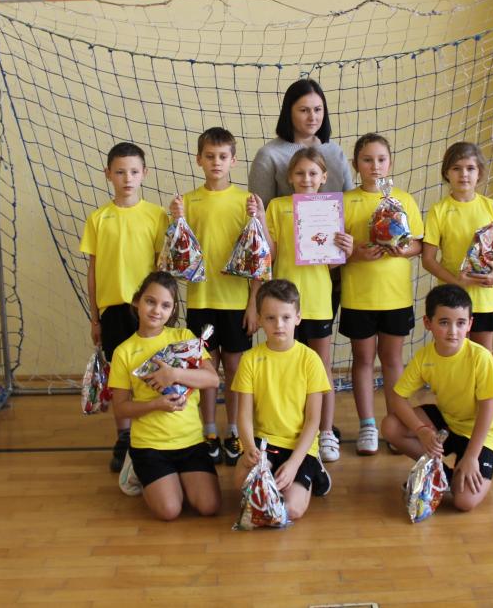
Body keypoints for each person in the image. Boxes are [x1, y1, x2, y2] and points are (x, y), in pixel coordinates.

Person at [168, 127, 264, 467]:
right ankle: (208, 429)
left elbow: (258, 258)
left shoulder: (246, 202)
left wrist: (253, 304)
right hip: (201, 302)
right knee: (205, 369)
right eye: (210, 156)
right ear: (199, 160)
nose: (216, 162)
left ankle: (234, 429)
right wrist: (175, 220)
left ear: (233, 161)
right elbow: (177, 254)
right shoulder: (188, 202)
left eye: (223, 156)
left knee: (236, 371)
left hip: (236, 303)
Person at [79, 142, 169, 472]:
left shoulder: (157, 216)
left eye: (133, 171)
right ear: (108, 175)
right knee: (121, 377)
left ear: (144, 173)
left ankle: (152, 435)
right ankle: (124, 437)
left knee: (150, 372)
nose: (127, 178)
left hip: (148, 311)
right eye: (120, 172)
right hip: (114, 312)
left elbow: (163, 268)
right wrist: (94, 318)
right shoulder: (98, 219)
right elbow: (93, 272)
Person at [332, 134, 423, 455]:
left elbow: (418, 244)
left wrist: (402, 249)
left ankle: (395, 423)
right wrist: (355, 253)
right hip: (359, 297)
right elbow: (332, 250)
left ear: (390, 163)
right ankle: (368, 425)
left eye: (381, 159)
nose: (375, 166)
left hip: (395, 296)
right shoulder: (344, 201)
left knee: (393, 360)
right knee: (363, 360)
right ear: (355, 165)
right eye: (367, 160)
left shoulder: (403, 200)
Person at [107, 272, 222, 521]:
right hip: (150, 446)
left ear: (172, 310)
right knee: (170, 511)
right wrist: (156, 404)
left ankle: (176, 479)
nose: (156, 310)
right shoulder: (123, 351)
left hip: (190, 442)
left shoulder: (184, 337)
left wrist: (174, 374)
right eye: (150, 301)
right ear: (137, 301)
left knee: (209, 507)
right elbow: (121, 408)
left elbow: (213, 380)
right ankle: (135, 467)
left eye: (165, 305)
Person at [381, 284, 493, 512]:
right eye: (444, 322)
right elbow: (398, 397)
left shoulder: (481, 358)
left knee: (464, 502)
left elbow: (488, 410)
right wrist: (421, 430)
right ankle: (439, 473)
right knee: (390, 425)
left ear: (470, 324)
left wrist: (471, 457)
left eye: (460, 323)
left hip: (483, 432)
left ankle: (460, 471)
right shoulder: (425, 357)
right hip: (449, 421)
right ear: (428, 323)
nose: (453, 331)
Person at [232, 279, 332, 521]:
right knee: (240, 483)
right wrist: (249, 448)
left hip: (300, 446)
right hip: (265, 443)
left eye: (286, 317)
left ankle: (313, 469)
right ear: (259, 319)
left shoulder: (310, 360)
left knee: (292, 509)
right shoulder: (250, 359)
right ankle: (274, 473)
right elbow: (243, 415)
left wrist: (295, 463)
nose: (279, 325)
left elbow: (313, 420)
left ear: (298, 317)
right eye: (270, 318)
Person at [264, 149, 339, 461]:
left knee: (321, 367)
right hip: (283, 302)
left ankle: (326, 431)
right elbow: (270, 253)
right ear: (289, 177)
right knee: (287, 366)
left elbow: (333, 262)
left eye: (312, 173)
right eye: (300, 173)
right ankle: (291, 430)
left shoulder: (331, 208)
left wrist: (343, 248)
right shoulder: (277, 206)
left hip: (318, 299)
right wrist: (258, 221)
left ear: (323, 177)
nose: (306, 179)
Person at [420, 141, 493, 352]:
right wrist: (457, 283)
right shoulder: (438, 211)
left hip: (485, 300)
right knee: (452, 357)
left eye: (470, 168)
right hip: (452, 300)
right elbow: (428, 259)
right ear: (446, 173)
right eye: (456, 168)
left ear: (479, 173)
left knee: (483, 358)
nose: (464, 174)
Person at [248, 78, 353, 207]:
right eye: (304, 110)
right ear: (289, 112)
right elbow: (259, 211)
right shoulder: (269, 155)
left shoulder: (335, 151)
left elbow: (350, 203)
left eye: (317, 109)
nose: (312, 117)